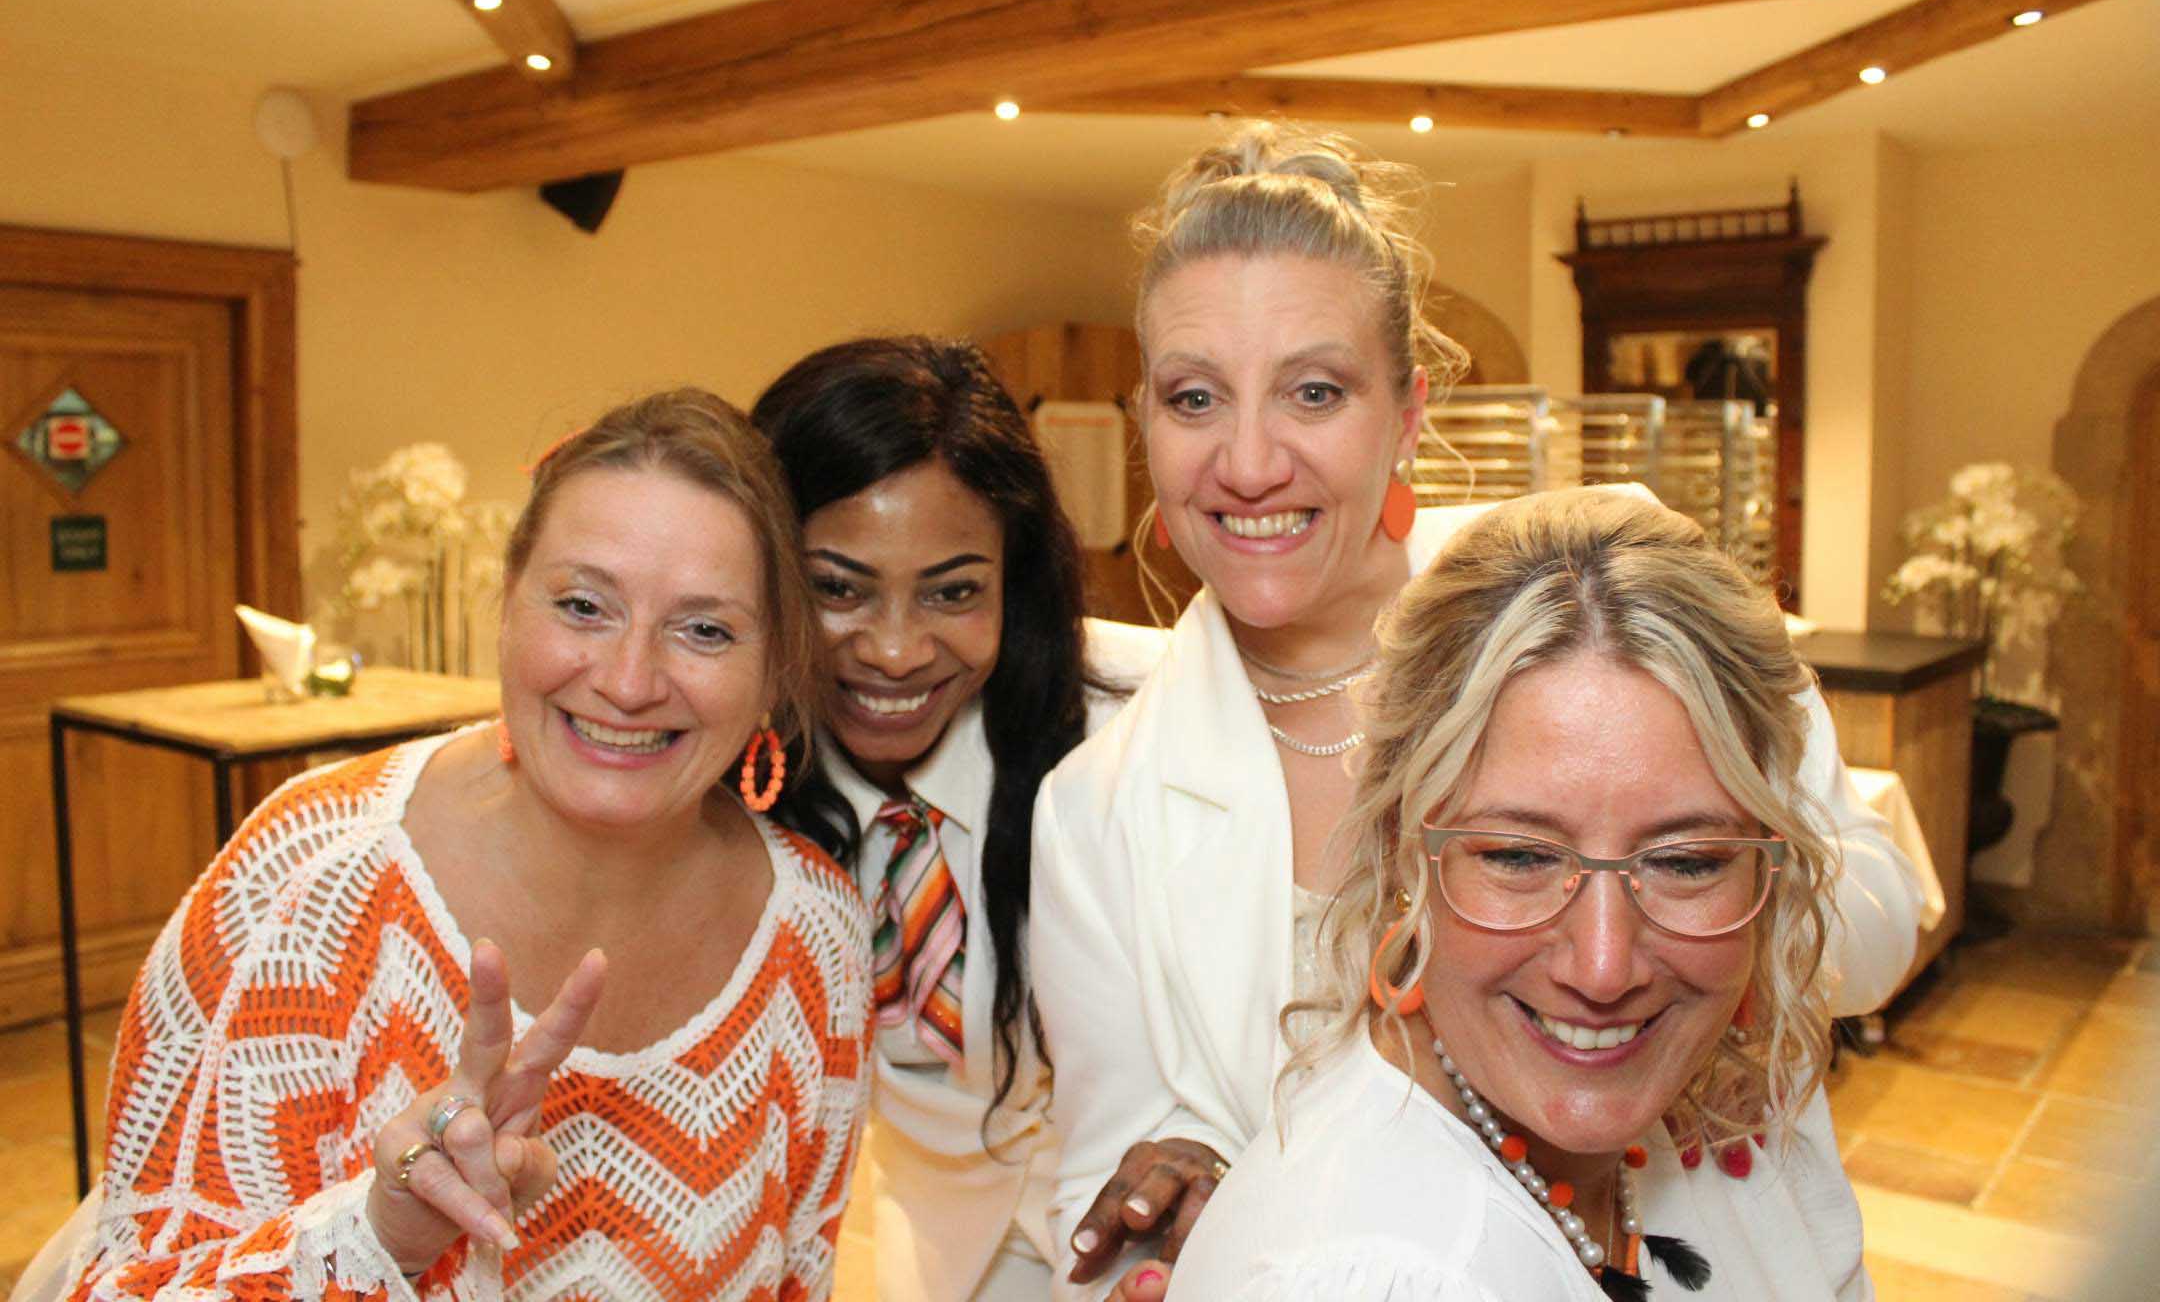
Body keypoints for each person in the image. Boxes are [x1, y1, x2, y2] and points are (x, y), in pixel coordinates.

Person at [1029, 122, 1921, 1301]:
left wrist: (1691, 950)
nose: (1248, 463)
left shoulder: (1611, 589)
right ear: (1144, 419)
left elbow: (1876, 915)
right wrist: (1188, 1190)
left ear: (1408, 412)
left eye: (1313, 391)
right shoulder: (1097, 808)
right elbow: (1099, 1193)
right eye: (1195, 398)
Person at [66, 390, 872, 1301]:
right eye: (583, 606)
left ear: (774, 672)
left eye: (705, 630)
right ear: (507, 606)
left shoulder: (814, 937)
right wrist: (383, 1237)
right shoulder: (305, 884)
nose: (629, 680)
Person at [1167, 487, 1864, 1300]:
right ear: (1401, 852)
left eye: (1686, 863)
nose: (1603, 967)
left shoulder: (1741, 1131)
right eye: (1519, 856)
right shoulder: (1386, 1276)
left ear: (1769, 871)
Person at [752, 339, 1163, 1302]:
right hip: (937, 1259)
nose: (896, 652)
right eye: (837, 587)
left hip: (1165, 1247)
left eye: (953, 591)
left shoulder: (1147, 730)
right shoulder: (731, 789)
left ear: (1014, 581)